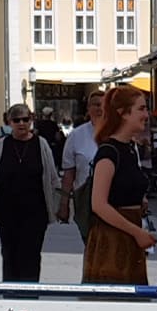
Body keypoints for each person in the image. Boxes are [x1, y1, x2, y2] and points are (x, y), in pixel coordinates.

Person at [82, 86, 156, 284]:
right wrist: (137, 232)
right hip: (111, 241)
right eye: (141, 109)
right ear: (123, 113)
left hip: (129, 237)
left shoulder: (130, 149)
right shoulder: (108, 152)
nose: (146, 115)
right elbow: (98, 204)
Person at [0, 103, 61, 282]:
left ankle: (30, 297)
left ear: (32, 120)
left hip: (36, 213)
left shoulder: (41, 144)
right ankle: (11, 298)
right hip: (6, 213)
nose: (22, 123)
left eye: (26, 119)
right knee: (9, 255)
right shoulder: (1, 146)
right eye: (17, 120)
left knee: (32, 256)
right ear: (9, 122)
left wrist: (58, 206)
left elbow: (53, 179)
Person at [58, 90, 104, 225]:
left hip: (115, 200)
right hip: (85, 201)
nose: (100, 108)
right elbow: (68, 175)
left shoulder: (120, 133)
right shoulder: (76, 136)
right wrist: (64, 205)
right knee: (90, 242)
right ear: (88, 109)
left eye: (104, 104)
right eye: (96, 105)